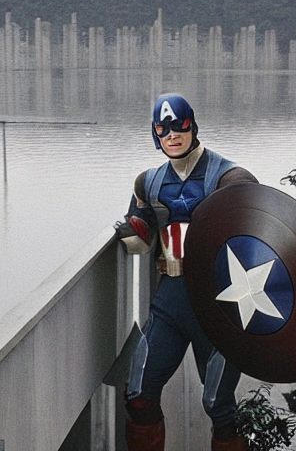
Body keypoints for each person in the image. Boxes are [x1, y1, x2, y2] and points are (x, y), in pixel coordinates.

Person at [117, 94, 257, 450]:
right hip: (170, 300)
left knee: (218, 406)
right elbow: (140, 237)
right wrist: (135, 230)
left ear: (193, 126)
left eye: (180, 127)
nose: (173, 136)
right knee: (138, 395)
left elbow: (257, 231)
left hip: (217, 302)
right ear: (155, 135)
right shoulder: (147, 182)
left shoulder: (230, 176)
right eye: (164, 131)